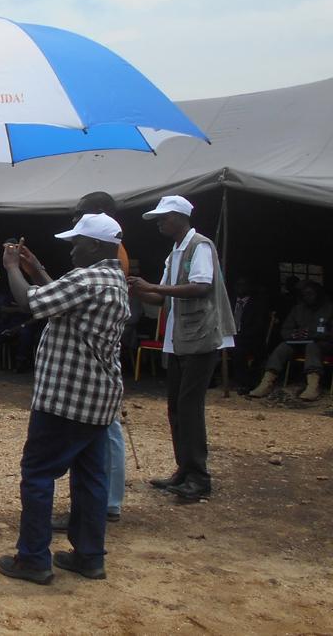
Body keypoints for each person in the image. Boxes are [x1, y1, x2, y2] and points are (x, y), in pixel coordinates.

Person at [0, 214, 130, 585]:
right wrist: (37, 268)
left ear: (96, 245)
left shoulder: (85, 279)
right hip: (99, 398)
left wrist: (12, 268)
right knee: (90, 478)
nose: (72, 250)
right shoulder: (113, 279)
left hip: (66, 398)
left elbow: (30, 302)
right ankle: (89, 556)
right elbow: (60, 300)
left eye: (77, 243)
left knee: (37, 474)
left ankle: (33, 559)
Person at [128, 196, 236, 502]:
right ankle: (184, 470)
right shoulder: (174, 253)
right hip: (179, 339)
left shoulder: (200, 246)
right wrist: (138, 290)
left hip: (200, 337)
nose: (160, 223)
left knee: (190, 408)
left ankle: (199, 478)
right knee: (176, 407)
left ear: (180, 217)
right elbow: (161, 298)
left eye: (164, 218)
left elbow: (201, 286)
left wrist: (153, 286)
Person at [248, 280, 333, 401]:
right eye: (305, 294)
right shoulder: (298, 309)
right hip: (299, 342)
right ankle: (266, 383)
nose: (307, 297)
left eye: (311, 293)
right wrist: (294, 334)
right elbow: (285, 330)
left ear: (318, 294)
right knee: (283, 347)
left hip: (323, 343)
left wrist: (314, 334)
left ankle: (313, 386)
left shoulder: (329, 309)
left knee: (312, 347)